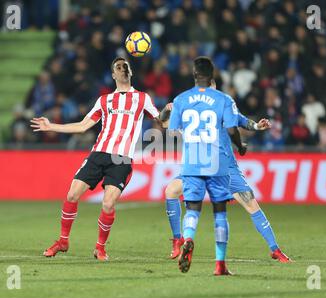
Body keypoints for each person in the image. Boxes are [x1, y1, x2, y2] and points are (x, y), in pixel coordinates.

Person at [30, 57, 162, 261]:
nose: (123, 68)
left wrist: (171, 112)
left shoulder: (142, 98)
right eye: (118, 66)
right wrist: (51, 126)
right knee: (72, 194)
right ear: (113, 75)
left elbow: (161, 119)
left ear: (131, 72)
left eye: (125, 66)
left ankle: (100, 247)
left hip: (121, 159)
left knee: (108, 204)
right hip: (98, 154)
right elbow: (83, 126)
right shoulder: (104, 100)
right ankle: (63, 241)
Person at [163, 82, 292, 271]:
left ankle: (181, 239)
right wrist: (255, 126)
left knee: (174, 193)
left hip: (200, 166)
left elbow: (164, 122)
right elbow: (240, 121)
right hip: (220, 167)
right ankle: (273, 250)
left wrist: (168, 109)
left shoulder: (188, 105)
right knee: (247, 207)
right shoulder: (221, 104)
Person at [167, 56, 247, 275]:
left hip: (192, 163)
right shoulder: (223, 99)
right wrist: (240, 146)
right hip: (217, 163)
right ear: (213, 76)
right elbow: (232, 130)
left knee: (192, 208)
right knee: (220, 212)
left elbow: (173, 129)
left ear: (194, 75)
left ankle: (189, 239)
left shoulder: (181, 99)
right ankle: (220, 265)